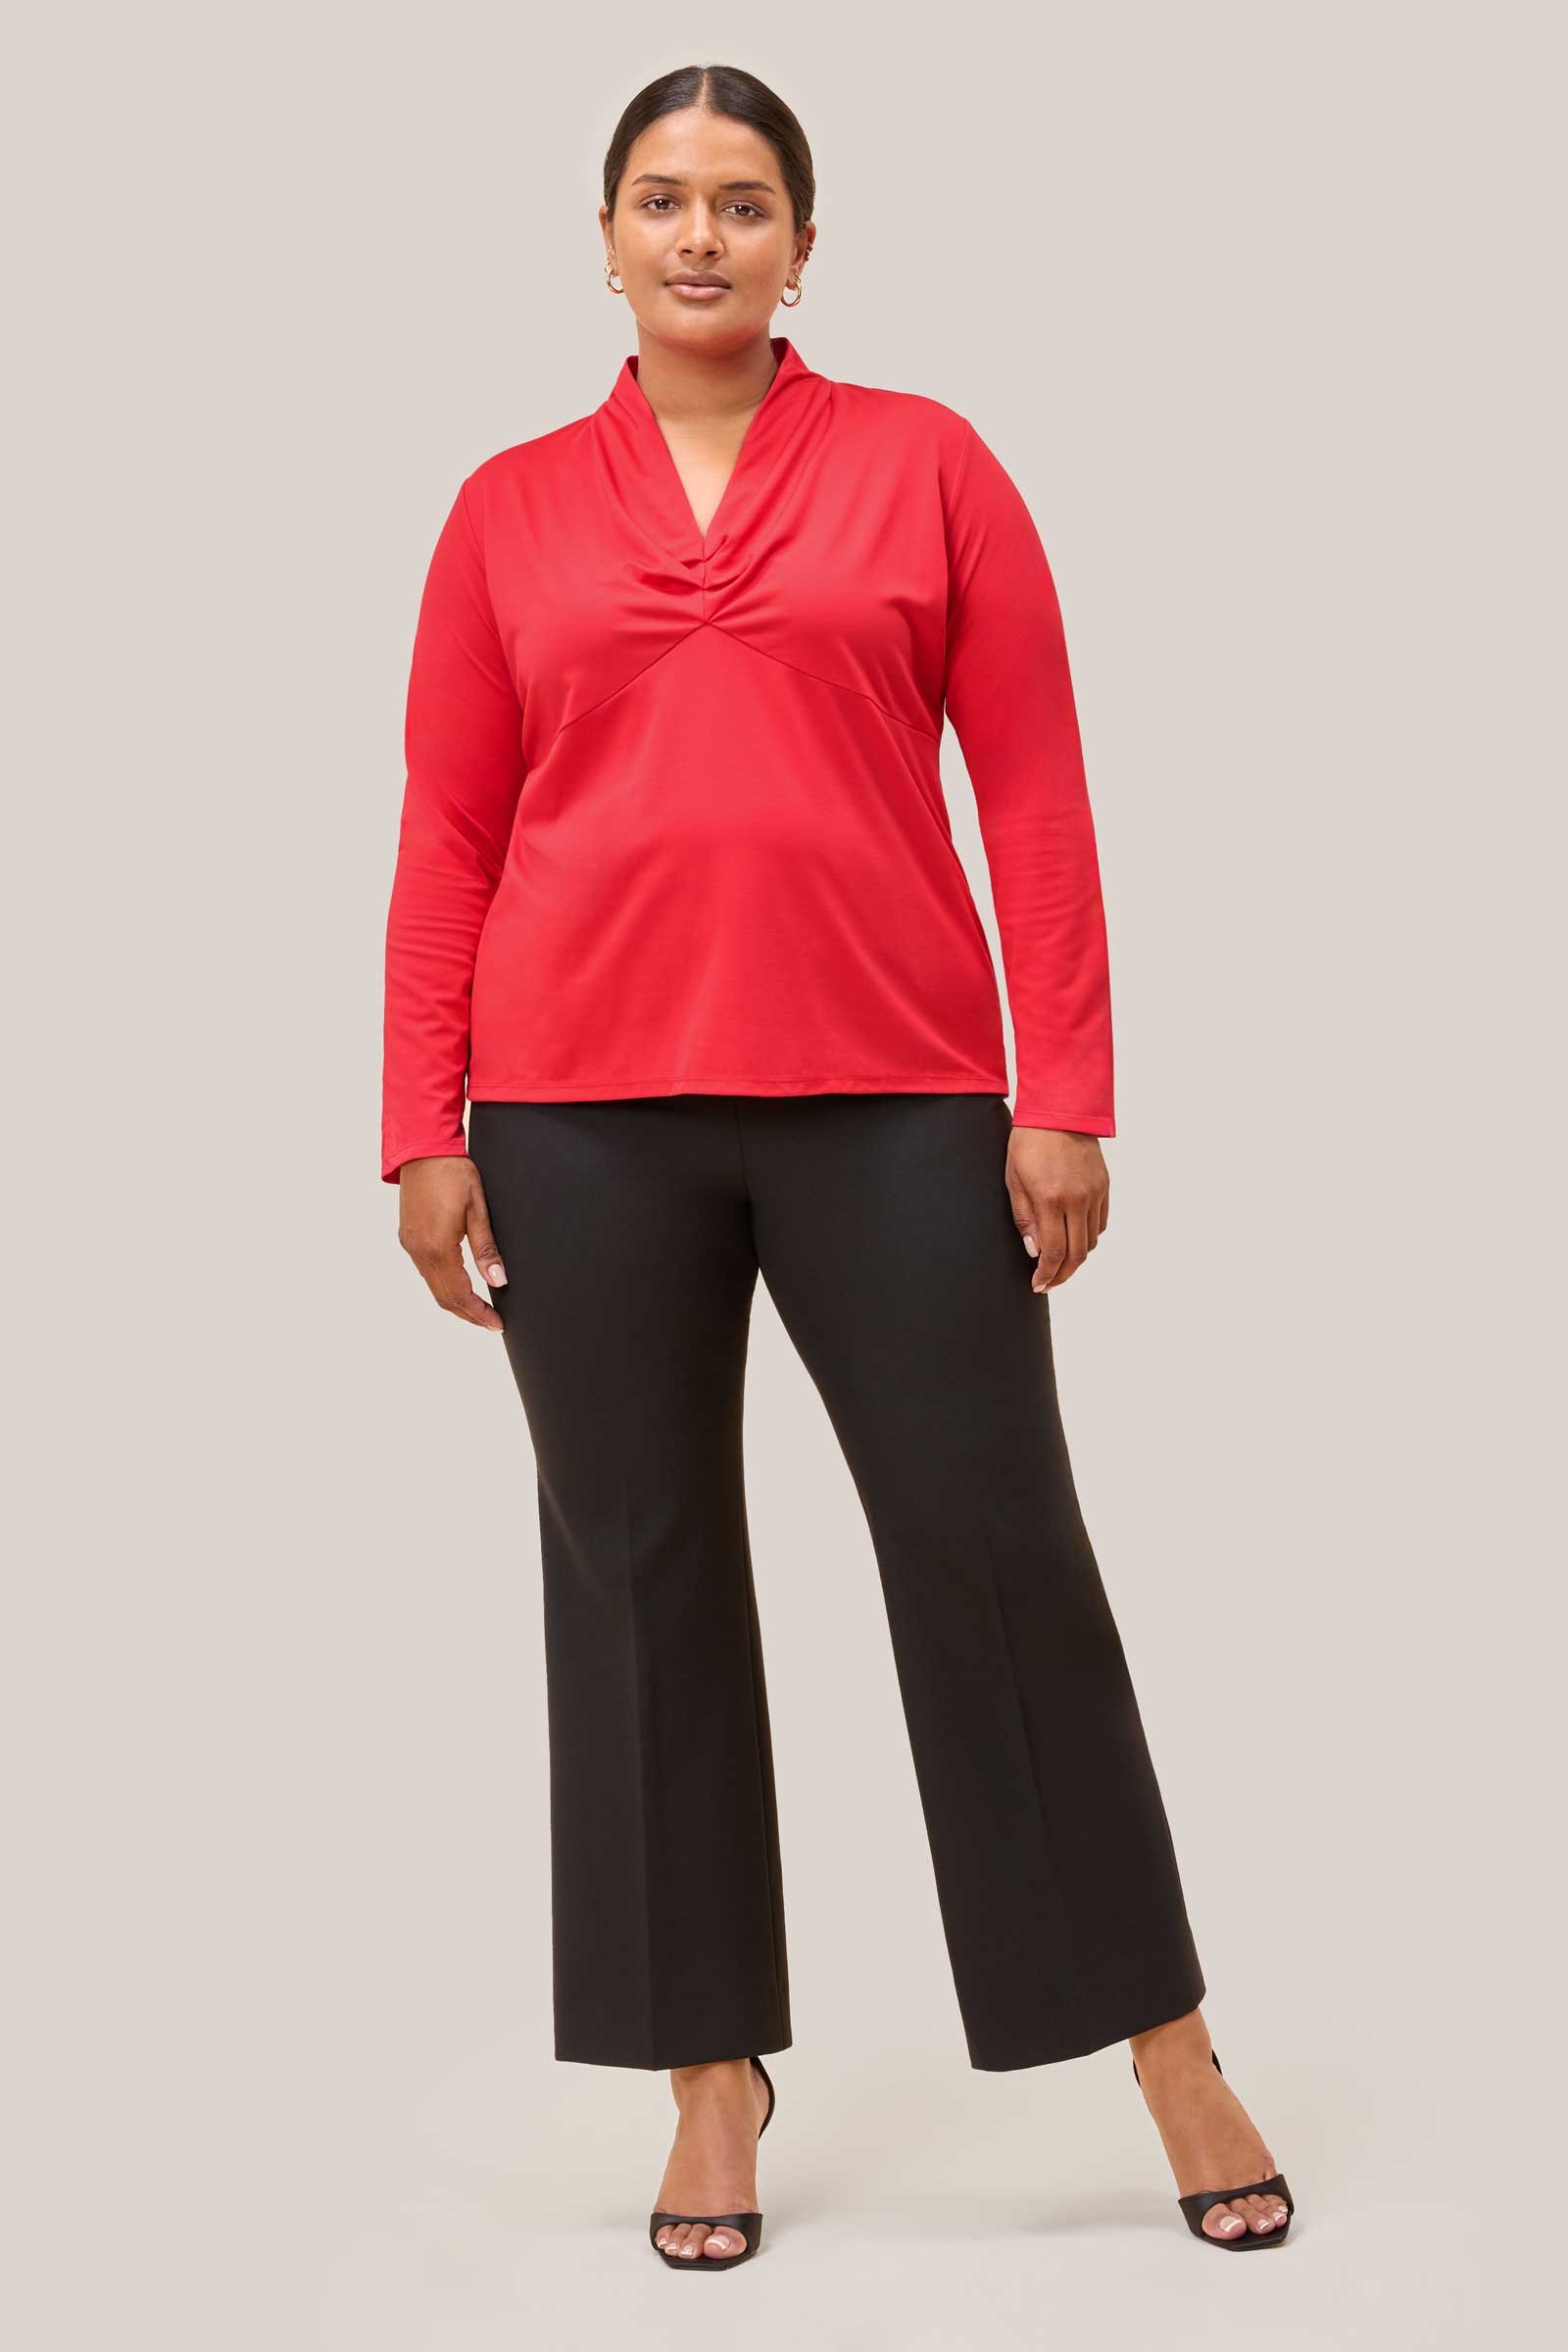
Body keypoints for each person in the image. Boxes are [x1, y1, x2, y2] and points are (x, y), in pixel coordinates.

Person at [380, 63, 1295, 2265]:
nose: (699, 234)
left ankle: (1162, 2040)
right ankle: (706, 2075)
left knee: (993, 1548)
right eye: (660, 198)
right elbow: (449, 825)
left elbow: (1036, 788)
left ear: (804, 243)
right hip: (576, 1114)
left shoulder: (927, 465)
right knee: (635, 1573)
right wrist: (422, 1119)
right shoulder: (506, 509)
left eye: (742, 201)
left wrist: (1061, 1089)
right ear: (604, 239)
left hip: (896, 1096)